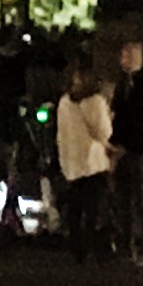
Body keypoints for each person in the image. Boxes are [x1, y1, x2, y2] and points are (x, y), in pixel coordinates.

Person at [53, 50, 116, 261]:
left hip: (72, 162)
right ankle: (97, 247)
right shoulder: (94, 102)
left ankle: (77, 248)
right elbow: (104, 133)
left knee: (75, 207)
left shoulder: (64, 102)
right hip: (93, 162)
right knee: (95, 208)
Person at [109, 38, 143, 267]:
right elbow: (117, 114)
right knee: (124, 200)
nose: (123, 59)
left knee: (142, 199)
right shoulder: (124, 83)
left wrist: (126, 144)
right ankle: (127, 246)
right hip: (122, 149)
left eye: (128, 54)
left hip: (141, 150)